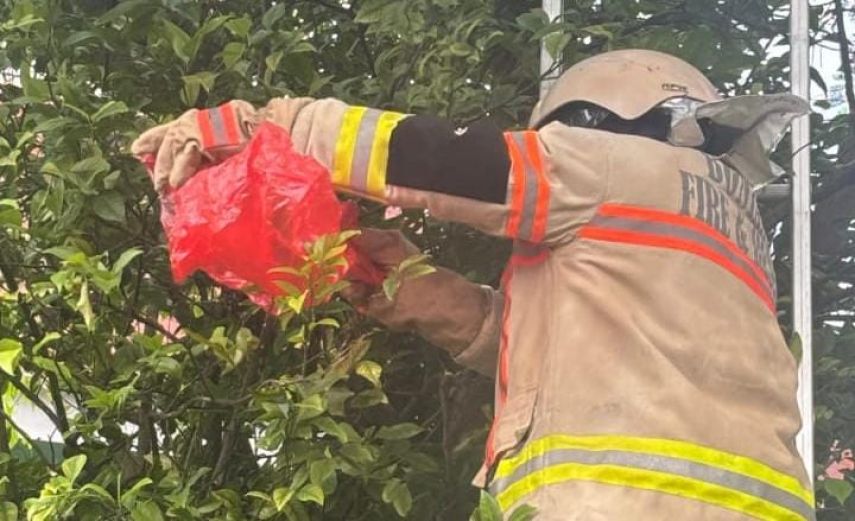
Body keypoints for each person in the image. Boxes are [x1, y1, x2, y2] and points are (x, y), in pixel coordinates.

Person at [132, 49, 814, 520]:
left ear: (593, 117)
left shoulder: (610, 163)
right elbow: (579, 357)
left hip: (620, 505)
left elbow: (433, 157)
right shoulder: (734, 236)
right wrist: (428, 293)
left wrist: (253, 125)